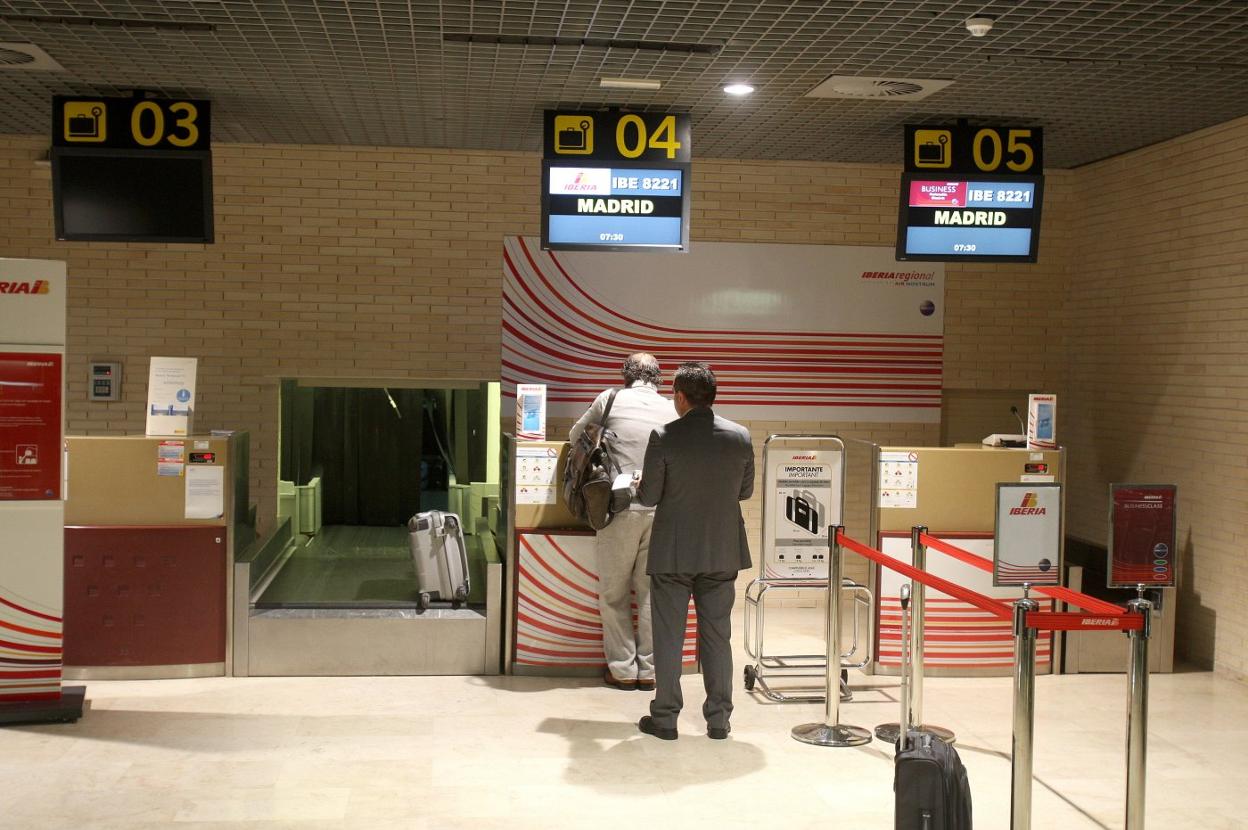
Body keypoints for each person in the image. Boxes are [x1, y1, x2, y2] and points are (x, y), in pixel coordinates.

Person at [636, 362, 754, 741]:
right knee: (717, 636)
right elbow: (744, 491)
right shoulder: (740, 437)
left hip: (673, 553)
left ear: (681, 397)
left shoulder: (664, 436)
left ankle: (666, 718)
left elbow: (649, 495)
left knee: (669, 635)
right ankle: (719, 720)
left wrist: (641, 483)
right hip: (721, 550)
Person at [570, 352, 678, 691]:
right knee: (649, 594)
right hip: (662, 511)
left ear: (626, 374)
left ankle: (622, 669)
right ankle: (649, 671)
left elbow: (577, 437)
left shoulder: (610, 398)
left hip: (618, 508)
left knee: (614, 593)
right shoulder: (672, 408)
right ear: (658, 377)